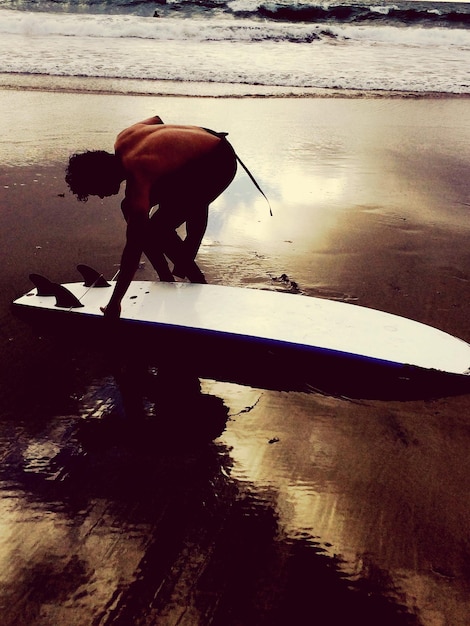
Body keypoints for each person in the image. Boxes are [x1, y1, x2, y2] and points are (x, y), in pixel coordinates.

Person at [65, 116, 238, 319]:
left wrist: (115, 303)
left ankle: (196, 279)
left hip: (218, 162)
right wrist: (170, 154)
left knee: (157, 229)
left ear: (101, 177)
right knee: (127, 206)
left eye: (96, 190)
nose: (101, 196)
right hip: (202, 149)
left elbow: (133, 248)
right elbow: (156, 120)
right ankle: (165, 276)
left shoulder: (140, 171)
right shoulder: (123, 139)